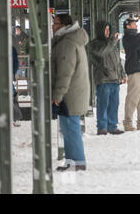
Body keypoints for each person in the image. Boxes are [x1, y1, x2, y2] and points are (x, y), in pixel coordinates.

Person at [51, 14, 90, 171]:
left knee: (71, 128)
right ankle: (71, 161)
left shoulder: (66, 43)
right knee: (67, 128)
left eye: (56, 23)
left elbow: (65, 73)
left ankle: (78, 162)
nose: (53, 25)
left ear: (65, 26)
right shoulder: (71, 40)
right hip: (74, 92)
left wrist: (58, 95)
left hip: (70, 94)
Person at [90, 21, 127, 135]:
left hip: (115, 79)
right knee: (103, 104)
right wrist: (113, 41)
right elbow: (102, 52)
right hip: (104, 79)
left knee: (114, 104)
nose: (107, 32)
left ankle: (112, 126)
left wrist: (122, 74)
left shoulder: (112, 43)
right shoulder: (95, 44)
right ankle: (102, 127)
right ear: (100, 30)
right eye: (105, 29)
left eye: (108, 29)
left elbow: (117, 61)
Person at [12, 46, 23, 126]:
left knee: (12, 96)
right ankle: (16, 118)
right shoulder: (11, 48)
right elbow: (16, 64)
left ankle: (16, 117)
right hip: (7, 75)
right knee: (12, 96)